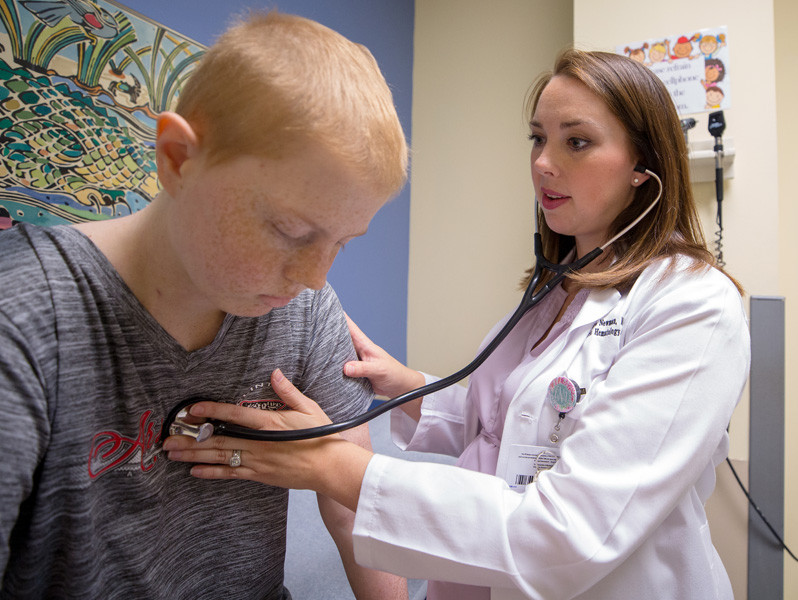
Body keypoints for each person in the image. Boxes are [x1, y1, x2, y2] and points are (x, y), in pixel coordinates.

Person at [164, 48, 750, 600]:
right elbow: (509, 422)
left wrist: (334, 467)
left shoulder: (692, 306)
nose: (544, 163)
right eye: (538, 138)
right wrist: (405, 385)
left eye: (577, 142)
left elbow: (573, 533)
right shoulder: (557, 288)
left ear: (644, 169)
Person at [0, 11, 409, 600]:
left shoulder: (303, 309)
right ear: (176, 159)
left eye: (341, 243)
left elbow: (352, 510)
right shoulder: (26, 321)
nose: (316, 278)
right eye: (292, 231)